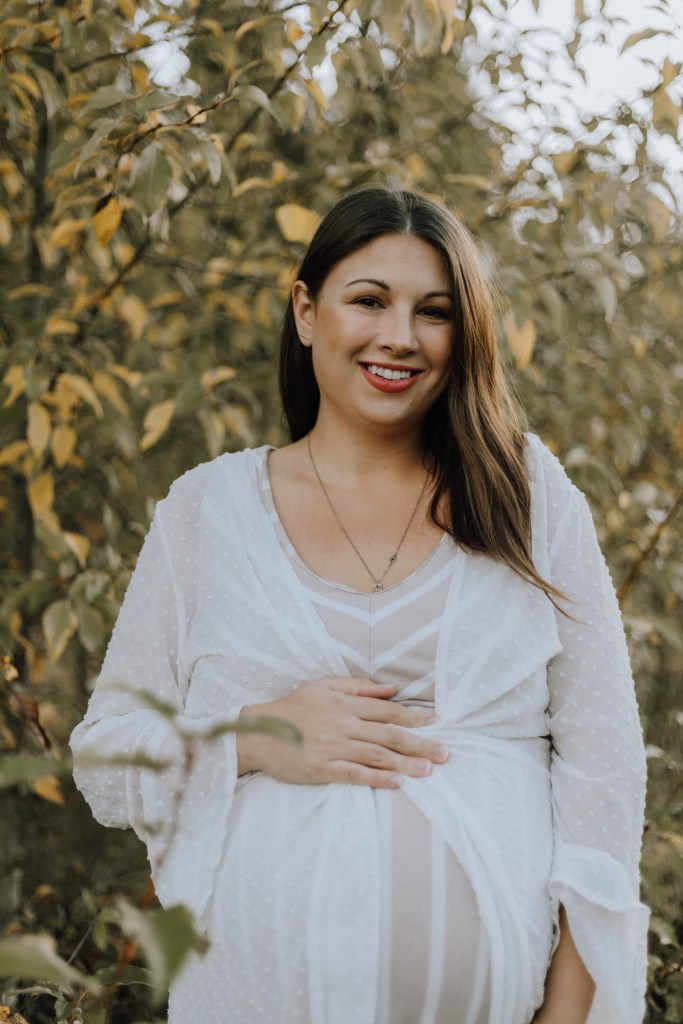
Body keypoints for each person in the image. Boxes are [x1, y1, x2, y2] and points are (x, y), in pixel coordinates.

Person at [70, 186, 649, 1024]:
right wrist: (256, 737)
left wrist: (567, 1013)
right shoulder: (207, 510)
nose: (399, 336)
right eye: (369, 300)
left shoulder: (527, 496)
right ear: (306, 311)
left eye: (433, 311)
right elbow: (103, 761)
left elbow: (605, 765)